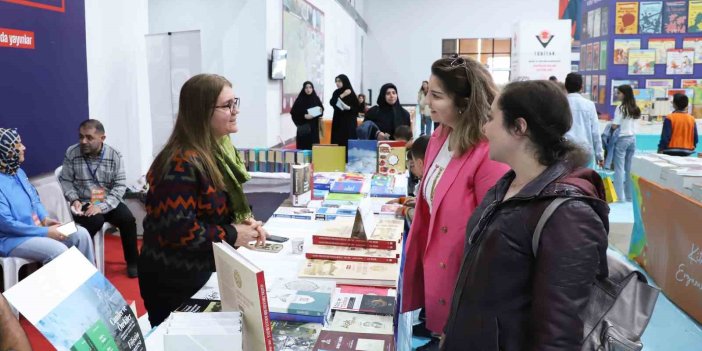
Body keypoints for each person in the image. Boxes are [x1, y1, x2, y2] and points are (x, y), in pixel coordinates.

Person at [441, 80, 609, 350]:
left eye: (491, 118)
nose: (485, 128)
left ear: (519, 127)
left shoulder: (569, 214)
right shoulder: (507, 185)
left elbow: (559, 330)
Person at [138, 74, 267, 327]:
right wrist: (231, 234)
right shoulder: (180, 162)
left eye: (235, 102)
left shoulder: (217, 150)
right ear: (201, 112)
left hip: (202, 271)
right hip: (175, 281)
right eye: (227, 105)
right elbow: (179, 230)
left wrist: (243, 222)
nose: (235, 111)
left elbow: (214, 206)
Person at [401, 56, 509, 349]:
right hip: (439, 266)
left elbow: (491, 234)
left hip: (465, 280)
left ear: (464, 102)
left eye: (437, 96)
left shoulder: (487, 153)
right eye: (427, 93)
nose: (427, 103)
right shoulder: (440, 135)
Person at [0, 128, 95, 265]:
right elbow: (7, 224)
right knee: (58, 250)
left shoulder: (18, 172)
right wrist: (44, 231)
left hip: (37, 229)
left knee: (81, 233)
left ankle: (91, 286)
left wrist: (44, 219)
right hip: (12, 238)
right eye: (19, 145)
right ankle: (66, 286)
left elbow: (34, 200)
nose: (24, 147)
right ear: (7, 153)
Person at [59, 119, 140, 278]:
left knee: (128, 219)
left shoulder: (115, 155)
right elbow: (66, 180)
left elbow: (119, 186)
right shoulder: (72, 152)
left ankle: (133, 262)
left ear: (102, 138)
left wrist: (102, 206)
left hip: (108, 200)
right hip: (83, 201)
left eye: (89, 138)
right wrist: (74, 199)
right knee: (95, 221)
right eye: (81, 136)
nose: (83, 141)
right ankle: (77, 262)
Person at [564, 73, 604, 168]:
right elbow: (595, 132)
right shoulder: (589, 105)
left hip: (566, 151)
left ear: (566, 86)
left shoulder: (561, 103)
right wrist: (600, 155)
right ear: (581, 87)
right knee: (585, 181)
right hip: (586, 152)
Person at [389, 135, 429, 223]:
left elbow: (426, 216)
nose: (411, 168)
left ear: (420, 163)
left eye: (413, 164)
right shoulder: (429, 179)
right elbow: (423, 204)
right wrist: (405, 200)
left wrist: (405, 210)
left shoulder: (430, 186)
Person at [611, 84, 640, 202]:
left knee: (618, 169)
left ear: (625, 94)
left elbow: (615, 125)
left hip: (622, 139)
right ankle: (629, 196)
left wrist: (610, 126)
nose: (617, 95)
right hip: (633, 139)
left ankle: (619, 196)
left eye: (619, 93)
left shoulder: (620, 108)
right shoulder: (635, 108)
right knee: (629, 169)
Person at [290, 81, 324, 150]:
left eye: (310, 87)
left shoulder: (315, 98)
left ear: (312, 88)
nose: (308, 89)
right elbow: (294, 113)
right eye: (306, 88)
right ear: (303, 89)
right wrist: (304, 116)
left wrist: (315, 113)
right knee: (303, 148)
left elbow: (321, 110)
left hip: (314, 128)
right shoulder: (300, 100)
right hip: (304, 128)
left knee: (314, 148)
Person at [330, 74, 360, 148]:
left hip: (349, 122)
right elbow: (332, 102)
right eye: (336, 81)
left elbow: (357, 109)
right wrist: (342, 95)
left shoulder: (352, 93)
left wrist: (349, 108)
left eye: (339, 81)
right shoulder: (336, 92)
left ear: (345, 81)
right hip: (338, 121)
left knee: (348, 142)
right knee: (338, 142)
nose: (337, 83)